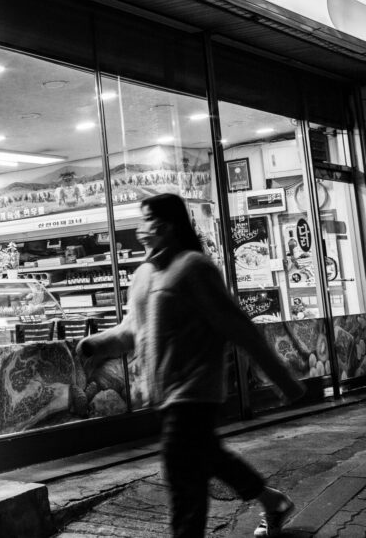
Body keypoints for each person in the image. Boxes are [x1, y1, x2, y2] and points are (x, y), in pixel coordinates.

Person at [77, 193, 305, 538]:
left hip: (196, 392)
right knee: (208, 458)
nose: (140, 229)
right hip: (165, 396)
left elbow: (238, 327)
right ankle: (273, 502)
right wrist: (95, 343)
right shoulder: (143, 275)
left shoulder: (194, 268)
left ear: (168, 225)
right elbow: (131, 330)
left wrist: (283, 380)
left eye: (147, 220)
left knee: (182, 475)